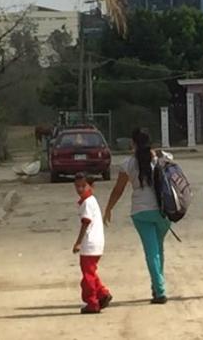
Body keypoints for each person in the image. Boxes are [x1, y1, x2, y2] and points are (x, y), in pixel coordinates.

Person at [104, 129, 172, 304]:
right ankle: (157, 287)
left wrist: (109, 208)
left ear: (133, 143)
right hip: (163, 210)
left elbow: (118, 190)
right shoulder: (159, 158)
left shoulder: (128, 164)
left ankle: (159, 290)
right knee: (158, 250)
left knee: (151, 251)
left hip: (140, 212)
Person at [72, 172, 112, 314]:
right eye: (77, 186)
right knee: (91, 272)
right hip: (96, 242)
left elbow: (85, 223)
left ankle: (92, 302)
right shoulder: (91, 201)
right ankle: (102, 293)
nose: (80, 189)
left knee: (87, 276)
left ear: (91, 186)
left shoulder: (87, 203)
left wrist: (78, 242)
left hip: (89, 244)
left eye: (83, 186)